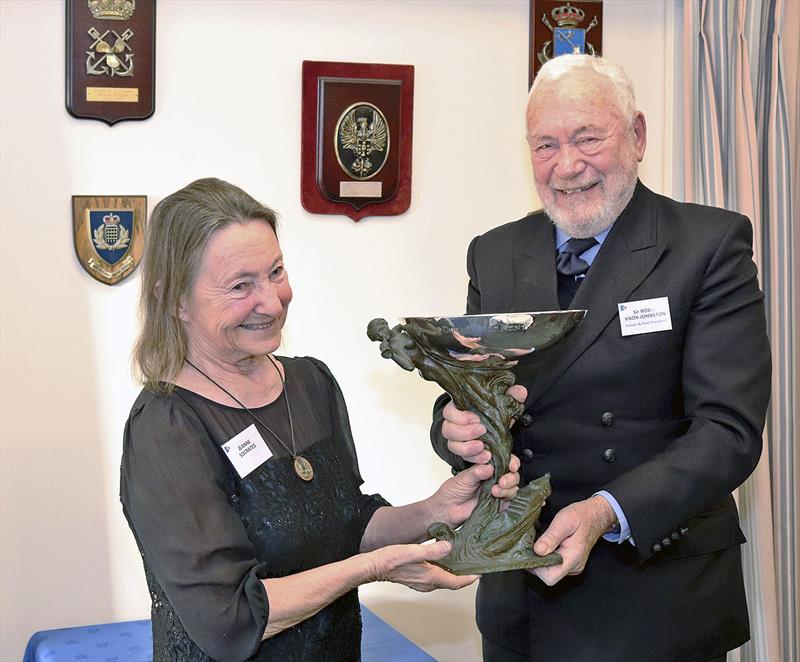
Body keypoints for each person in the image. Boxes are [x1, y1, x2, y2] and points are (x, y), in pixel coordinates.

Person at [430, 54, 771, 662]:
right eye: (546, 145)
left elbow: (729, 431)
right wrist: (454, 428)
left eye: (588, 138)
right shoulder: (495, 253)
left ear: (637, 136)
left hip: (656, 598)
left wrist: (607, 511)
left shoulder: (707, 245)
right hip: (523, 600)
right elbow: (470, 389)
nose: (568, 166)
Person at [121, 177, 521, 662]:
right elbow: (230, 621)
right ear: (175, 300)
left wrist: (435, 510)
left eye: (275, 271)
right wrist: (371, 568)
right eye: (240, 286)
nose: (270, 301)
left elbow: (345, 523)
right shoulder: (166, 428)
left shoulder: (310, 383)